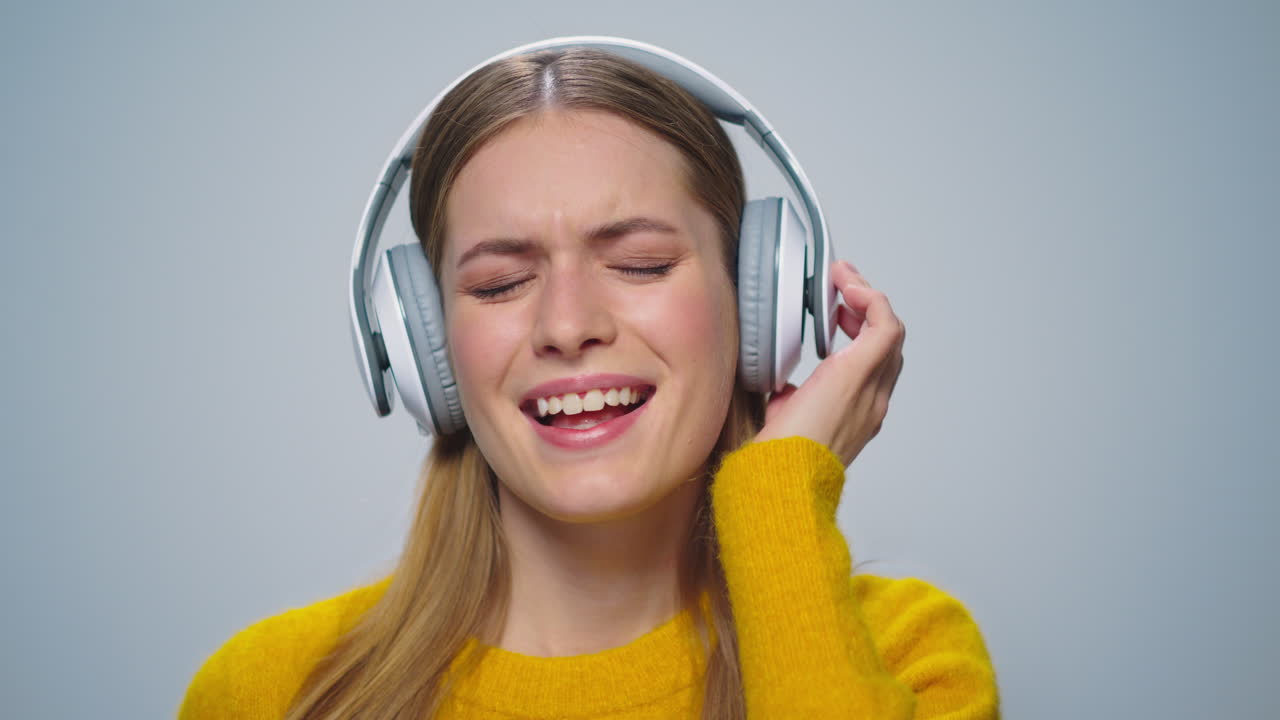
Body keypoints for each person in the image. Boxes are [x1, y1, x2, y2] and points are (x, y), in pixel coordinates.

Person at [178, 44, 1000, 720]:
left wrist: (779, 494)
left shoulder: (907, 654)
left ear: (762, 305)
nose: (568, 325)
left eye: (640, 264)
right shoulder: (273, 692)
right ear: (422, 343)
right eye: (500, 283)